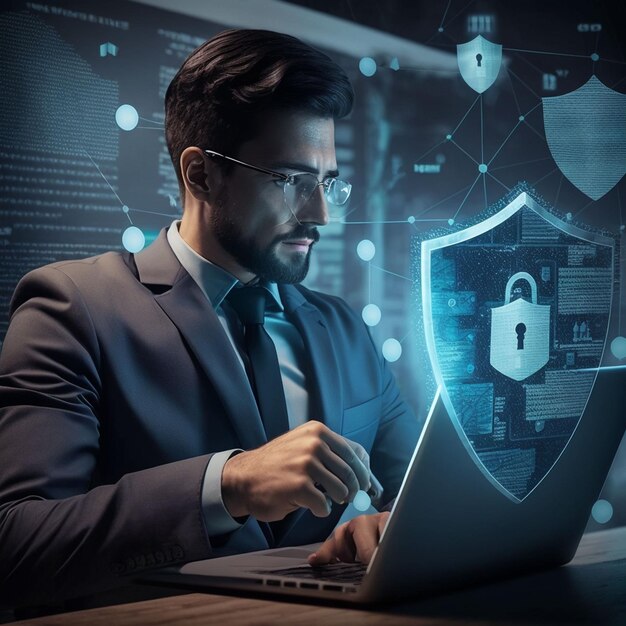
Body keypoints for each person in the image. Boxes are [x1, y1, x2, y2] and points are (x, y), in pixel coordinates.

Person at [0, 28, 419, 611]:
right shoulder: (72, 307)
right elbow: (17, 545)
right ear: (199, 174)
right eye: (290, 181)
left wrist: (389, 526)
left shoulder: (346, 328)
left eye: (326, 183)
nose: (319, 213)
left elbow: (422, 498)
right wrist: (229, 484)